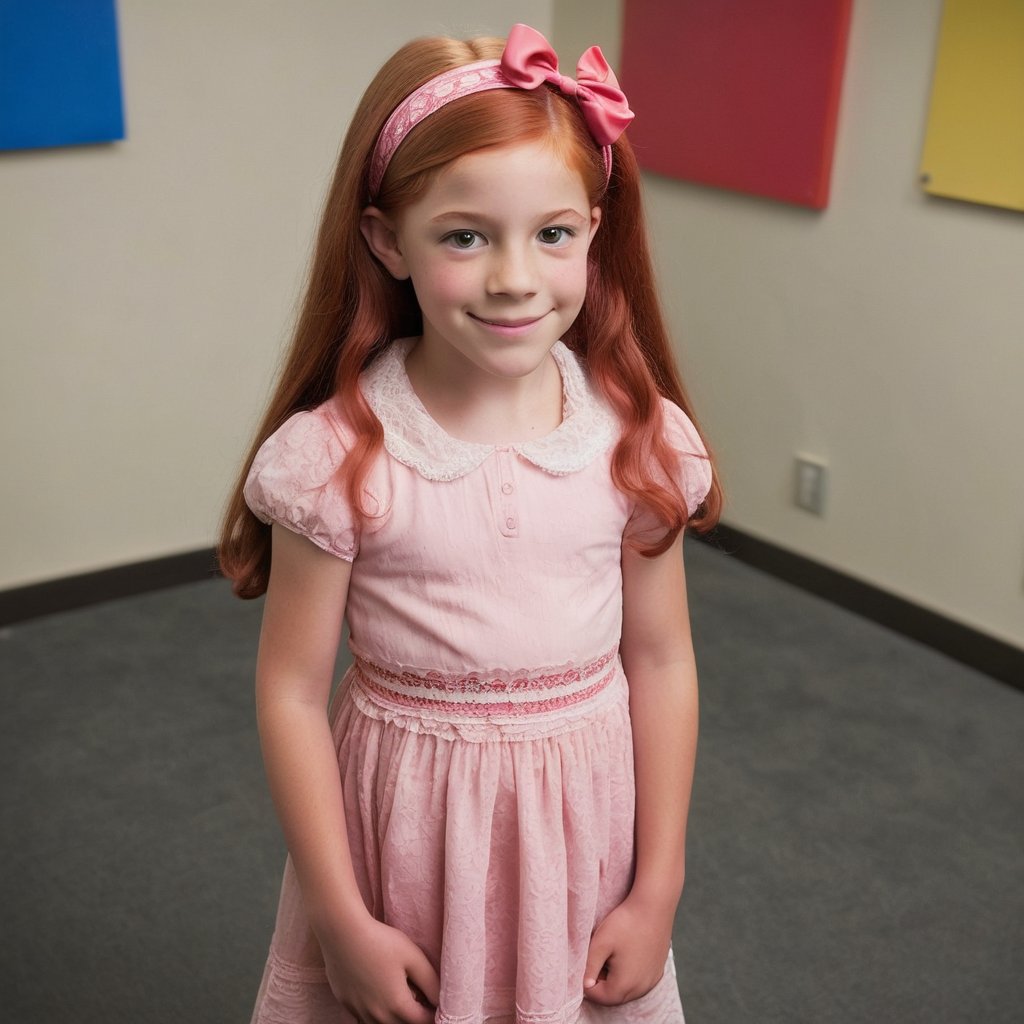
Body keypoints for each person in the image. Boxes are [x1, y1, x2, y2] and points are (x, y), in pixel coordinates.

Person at [219, 22, 721, 1024]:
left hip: (581, 840)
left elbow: (661, 662)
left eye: (551, 233)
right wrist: (341, 920)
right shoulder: (339, 455)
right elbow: (287, 691)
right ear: (384, 239)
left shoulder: (635, 439)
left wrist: (657, 885)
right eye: (464, 235)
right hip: (404, 839)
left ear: (591, 228)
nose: (513, 278)